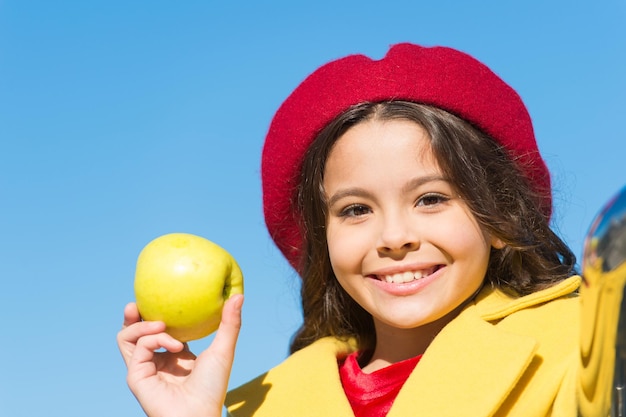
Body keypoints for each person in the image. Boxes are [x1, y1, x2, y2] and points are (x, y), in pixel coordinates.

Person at [118, 43, 582, 416]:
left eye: (431, 199)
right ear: (323, 240)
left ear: (499, 216)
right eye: (356, 210)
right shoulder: (257, 405)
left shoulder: (589, 339)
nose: (394, 236)